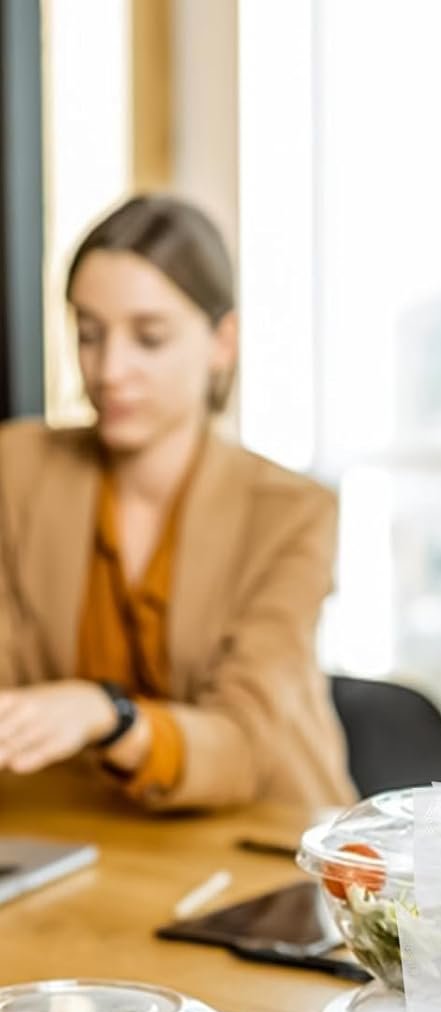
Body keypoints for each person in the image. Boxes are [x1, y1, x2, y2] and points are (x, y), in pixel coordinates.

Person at [0, 194, 353, 810]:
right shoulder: (18, 469)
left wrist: (109, 714)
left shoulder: (292, 513)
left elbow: (246, 745)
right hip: (72, 830)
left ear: (222, 342)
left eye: (149, 338)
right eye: (89, 334)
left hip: (256, 834)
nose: (110, 370)